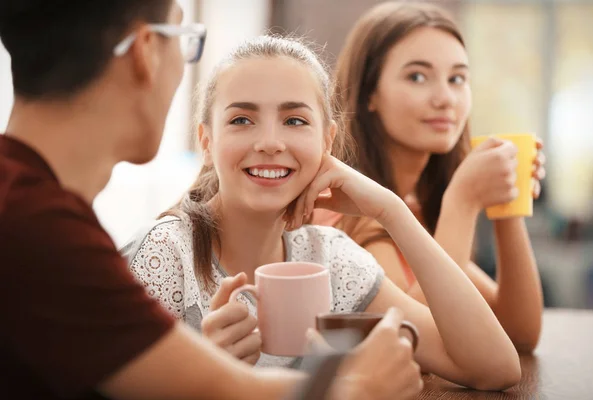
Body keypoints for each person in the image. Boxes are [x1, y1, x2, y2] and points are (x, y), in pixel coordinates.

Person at [0, 1, 424, 399]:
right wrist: (357, 387)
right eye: (182, 37)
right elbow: (231, 389)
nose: (270, 141)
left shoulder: (33, 214)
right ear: (145, 51)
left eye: (294, 119)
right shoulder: (43, 236)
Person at [123, 34, 521, 390]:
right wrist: (207, 380)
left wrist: (391, 211)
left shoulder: (330, 257)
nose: (270, 142)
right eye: (241, 120)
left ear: (327, 140)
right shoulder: (163, 256)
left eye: (294, 120)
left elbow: (495, 368)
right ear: (207, 141)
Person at [313, 2, 545, 352]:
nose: (445, 99)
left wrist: (508, 201)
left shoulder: (414, 211)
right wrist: (464, 200)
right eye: (417, 76)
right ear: (369, 93)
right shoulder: (341, 206)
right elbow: (414, 335)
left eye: (457, 79)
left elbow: (519, 333)